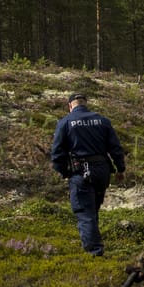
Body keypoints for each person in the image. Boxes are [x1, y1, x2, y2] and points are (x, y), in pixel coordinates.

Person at [50, 93, 126, 256]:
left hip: (81, 171)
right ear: (86, 104)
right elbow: (115, 148)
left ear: (70, 105)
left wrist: (64, 172)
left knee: (85, 212)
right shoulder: (103, 121)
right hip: (102, 171)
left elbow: (57, 153)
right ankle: (94, 243)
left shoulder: (65, 123)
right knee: (93, 209)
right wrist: (120, 169)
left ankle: (94, 252)